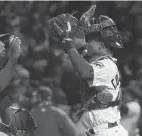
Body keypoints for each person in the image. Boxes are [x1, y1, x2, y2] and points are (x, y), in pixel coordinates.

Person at [47, 5, 128, 136]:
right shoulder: (97, 61)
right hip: (97, 129)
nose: (88, 43)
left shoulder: (107, 65)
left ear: (101, 45)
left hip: (107, 131)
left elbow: (86, 72)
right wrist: (81, 24)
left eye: (91, 41)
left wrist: (68, 43)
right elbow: (78, 48)